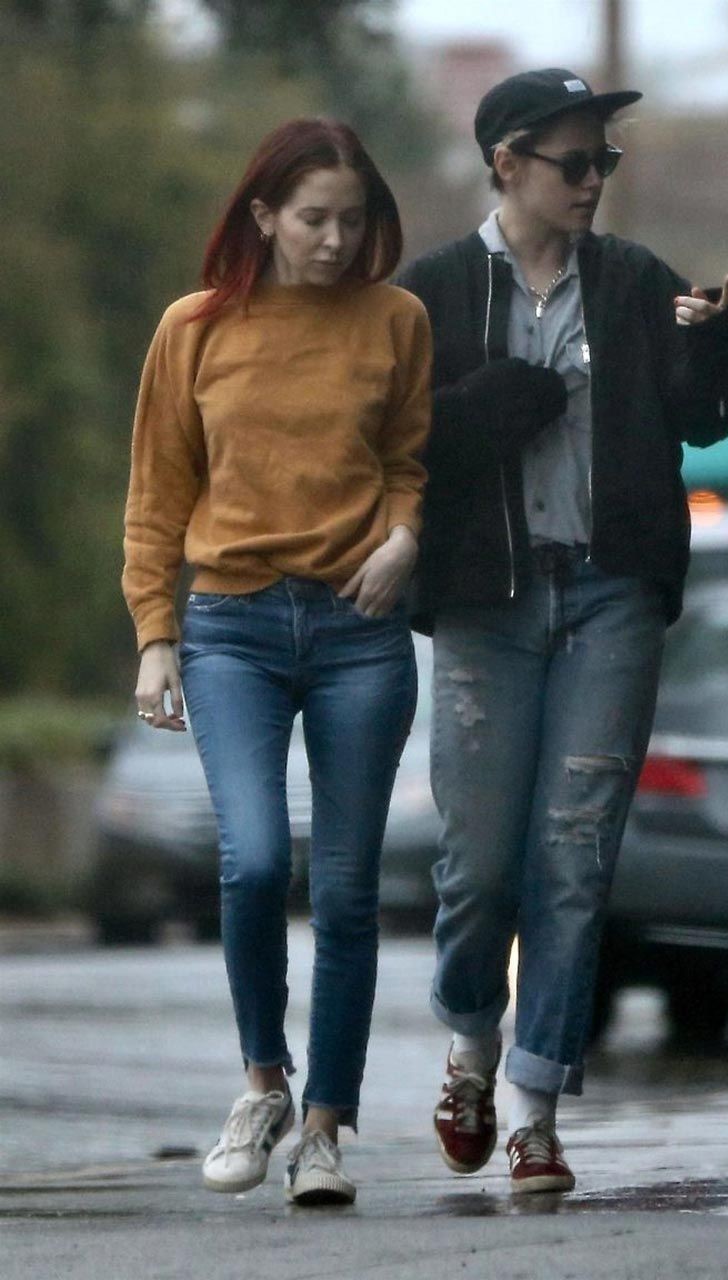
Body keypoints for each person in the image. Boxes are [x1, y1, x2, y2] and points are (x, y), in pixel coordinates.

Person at [396, 68, 728, 1194]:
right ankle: (471, 1042)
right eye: (573, 162)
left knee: (574, 855)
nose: (592, 181)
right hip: (487, 606)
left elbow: (718, 413)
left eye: (603, 161)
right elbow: (389, 442)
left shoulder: (634, 282)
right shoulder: (431, 294)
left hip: (611, 596)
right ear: (506, 164)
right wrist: (482, 411)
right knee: (478, 866)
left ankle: (536, 1107)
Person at [123, 118, 431, 1205]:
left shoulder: (396, 320)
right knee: (253, 860)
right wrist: (155, 636)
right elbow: (157, 492)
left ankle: (325, 1131)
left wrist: (404, 538)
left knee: (345, 892)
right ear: (262, 216)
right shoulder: (195, 328)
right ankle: (263, 1082)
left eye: (352, 219)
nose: (335, 240)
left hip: (360, 629)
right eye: (312, 219)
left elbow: (408, 459)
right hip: (233, 627)